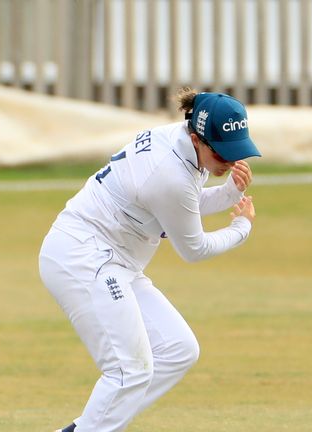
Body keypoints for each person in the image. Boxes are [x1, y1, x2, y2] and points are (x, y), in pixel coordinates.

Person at [39, 89, 261, 432]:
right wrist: (241, 227)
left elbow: (181, 206)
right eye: (221, 153)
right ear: (195, 137)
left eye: (236, 152)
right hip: (84, 256)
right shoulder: (169, 173)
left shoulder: (179, 147)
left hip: (119, 260)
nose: (230, 162)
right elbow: (193, 248)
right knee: (130, 371)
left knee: (178, 349)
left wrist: (230, 192)